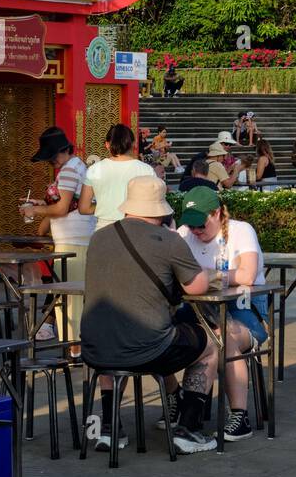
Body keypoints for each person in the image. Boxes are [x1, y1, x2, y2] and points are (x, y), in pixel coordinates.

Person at [81, 176, 214, 454]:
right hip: (150, 349)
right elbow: (198, 286)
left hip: (94, 348)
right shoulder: (168, 240)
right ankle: (187, 429)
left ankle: (109, 428)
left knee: (115, 336)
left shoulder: (98, 238)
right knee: (211, 345)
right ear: (160, 209)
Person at [176, 186, 268, 442]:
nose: (196, 231)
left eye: (201, 224)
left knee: (221, 338)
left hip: (244, 312)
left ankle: (240, 416)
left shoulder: (241, 230)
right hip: (198, 311)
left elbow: (247, 275)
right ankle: (177, 400)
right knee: (157, 329)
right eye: (191, 225)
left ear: (217, 213)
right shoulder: (185, 234)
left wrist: (205, 275)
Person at [16, 130, 95, 351]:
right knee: (71, 295)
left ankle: (75, 350)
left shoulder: (69, 170)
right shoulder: (77, 166)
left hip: (72, 239)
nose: (51, 162)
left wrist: (34, 209)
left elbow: (61, 209)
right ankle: (75, 348)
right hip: (78, 237)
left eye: (52, 157)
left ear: (63, 150)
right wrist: (41, 205)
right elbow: (66, 204)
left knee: (70, 298)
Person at [78, 124, 156, 230]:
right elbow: (154, 207)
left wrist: (105, 207)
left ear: (107, 144)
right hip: (135, 231)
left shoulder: (94, 169)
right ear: (134, 143)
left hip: (103, 231)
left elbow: (84, 208)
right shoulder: (146, 170)